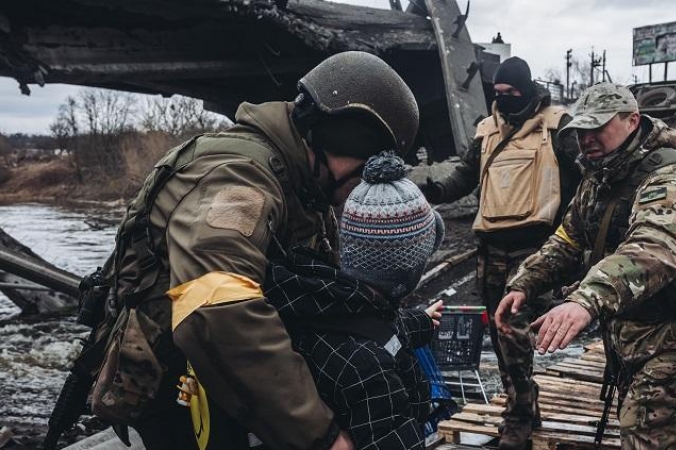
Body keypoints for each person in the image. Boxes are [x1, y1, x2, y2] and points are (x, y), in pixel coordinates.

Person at [90, 51, 420, 450]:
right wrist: (321, 435)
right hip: (182, 388)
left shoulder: (302, 187)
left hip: (235, 383)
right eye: (367, 166)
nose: (363, 186)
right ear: (343, 137)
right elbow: (217, 312)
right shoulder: (239, 179)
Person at [496, 83, 676, 449]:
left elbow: (656, 248)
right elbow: (569, 239)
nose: (587, 139)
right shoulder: (600, 179)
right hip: (636, 322)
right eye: (581, 130)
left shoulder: (675, 179)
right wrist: (526, 282)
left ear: (633, 121)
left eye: (598, 127)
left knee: (645, 426)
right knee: (637, 418)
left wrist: (585, 300)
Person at [418, 56, 581, 449]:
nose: (504, 99)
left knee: (514, 333)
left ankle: (520, 416)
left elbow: (582, 182)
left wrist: (577, 241)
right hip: (490, 248)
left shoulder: (558, 125)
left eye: (512, 93)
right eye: (499, 93)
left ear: (528, 89)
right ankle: (523, 404)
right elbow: (464, 176)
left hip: (534, 247)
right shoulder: (487, 130)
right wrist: (432, 190)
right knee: (501, 331)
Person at [262, 152, 445, 449]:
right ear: (406, 273)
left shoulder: (322, 300)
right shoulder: (373, 373)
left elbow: (380, 328)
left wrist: (422, 320)